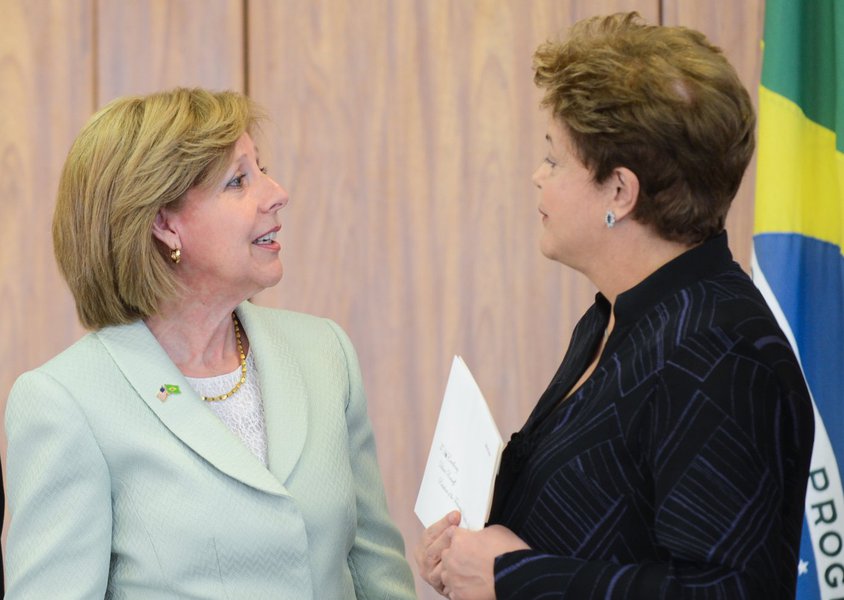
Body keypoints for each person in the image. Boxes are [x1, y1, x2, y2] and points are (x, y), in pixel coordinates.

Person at [416, 12, 814, 600]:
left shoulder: (719, 355)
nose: (536, 176)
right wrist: (467, 552)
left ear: (620, 193)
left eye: (554, 159)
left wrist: (512, 579)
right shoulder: (616, 314)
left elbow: (727, 591)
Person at [4, 88, 416, 599]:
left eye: (261, 169)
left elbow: (377, 572)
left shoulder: (324, 353)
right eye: (239, 181)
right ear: (163, 223)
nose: (277, 192)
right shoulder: (65, 401)